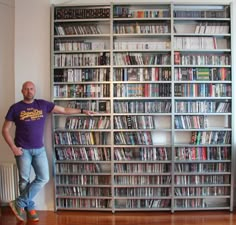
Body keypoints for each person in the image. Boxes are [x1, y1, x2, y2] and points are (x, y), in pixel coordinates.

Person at [1, 81, 95, 222]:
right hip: (22, 150)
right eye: (26, 89)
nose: (29, 91)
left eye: (31, 88)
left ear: (35, 90)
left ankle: (19, 202)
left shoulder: (43, 104)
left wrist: (82, 111)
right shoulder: (15, 108)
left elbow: (63, 110)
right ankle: (30, 207)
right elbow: (5, 130)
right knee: (24, 181)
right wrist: (13, 148)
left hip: (39, 149)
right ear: (22, 91)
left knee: (43, 177)